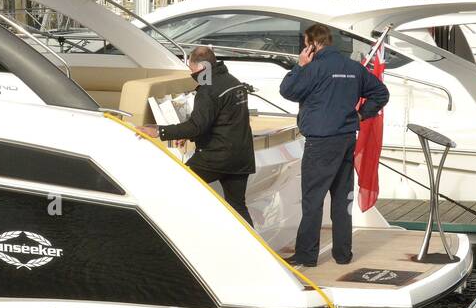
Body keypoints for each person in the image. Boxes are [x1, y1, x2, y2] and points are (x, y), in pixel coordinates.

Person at [278, 24, 389, 268]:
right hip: (347, 138)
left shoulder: (313, 68)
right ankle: (343, 254)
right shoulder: (352, 68)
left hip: (320, 141)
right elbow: (381, 93)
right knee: (341, 199)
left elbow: (287, 91)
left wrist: (300, 65)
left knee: (313, 200)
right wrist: (361, 114)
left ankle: (307, 255)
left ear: (312, 44)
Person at [140, 45, 256, 225]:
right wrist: (191, 134)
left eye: (191, 68)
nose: (190, 72)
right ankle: (254, 250)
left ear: (202, 67)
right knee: (237, 206)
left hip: (216, 157)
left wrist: (159, 131)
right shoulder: (234, 82)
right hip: (242, 156)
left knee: (179, 186)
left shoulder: (207, 90)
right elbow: (222, 122)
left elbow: (197, 126)